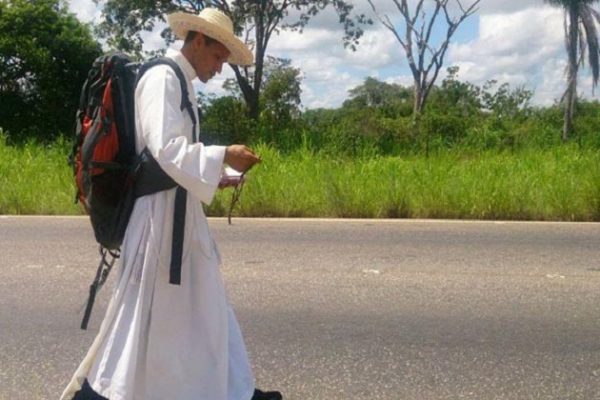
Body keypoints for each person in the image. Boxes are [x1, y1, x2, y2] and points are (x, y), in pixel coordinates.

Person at [61, 8, 281, 400]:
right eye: (217, 57)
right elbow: (165, 149)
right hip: (158, 220)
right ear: (198, 40)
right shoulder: (163, 78)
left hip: (175, 215)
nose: (219, 67)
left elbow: (176, 158)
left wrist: (216, 173)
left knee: (198, 309)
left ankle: (230, 390)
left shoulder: (180, 81)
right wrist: (222, 154)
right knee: (148, 316)